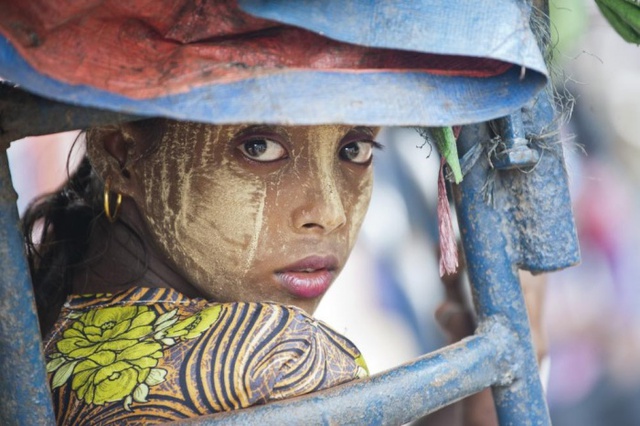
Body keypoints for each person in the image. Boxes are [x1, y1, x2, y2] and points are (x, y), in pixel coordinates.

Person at [24, 119, 381, 424]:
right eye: (259, 147)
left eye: (354, 150)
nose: (331, 212)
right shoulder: (276, 358)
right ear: (122, 157)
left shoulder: (36, 313)